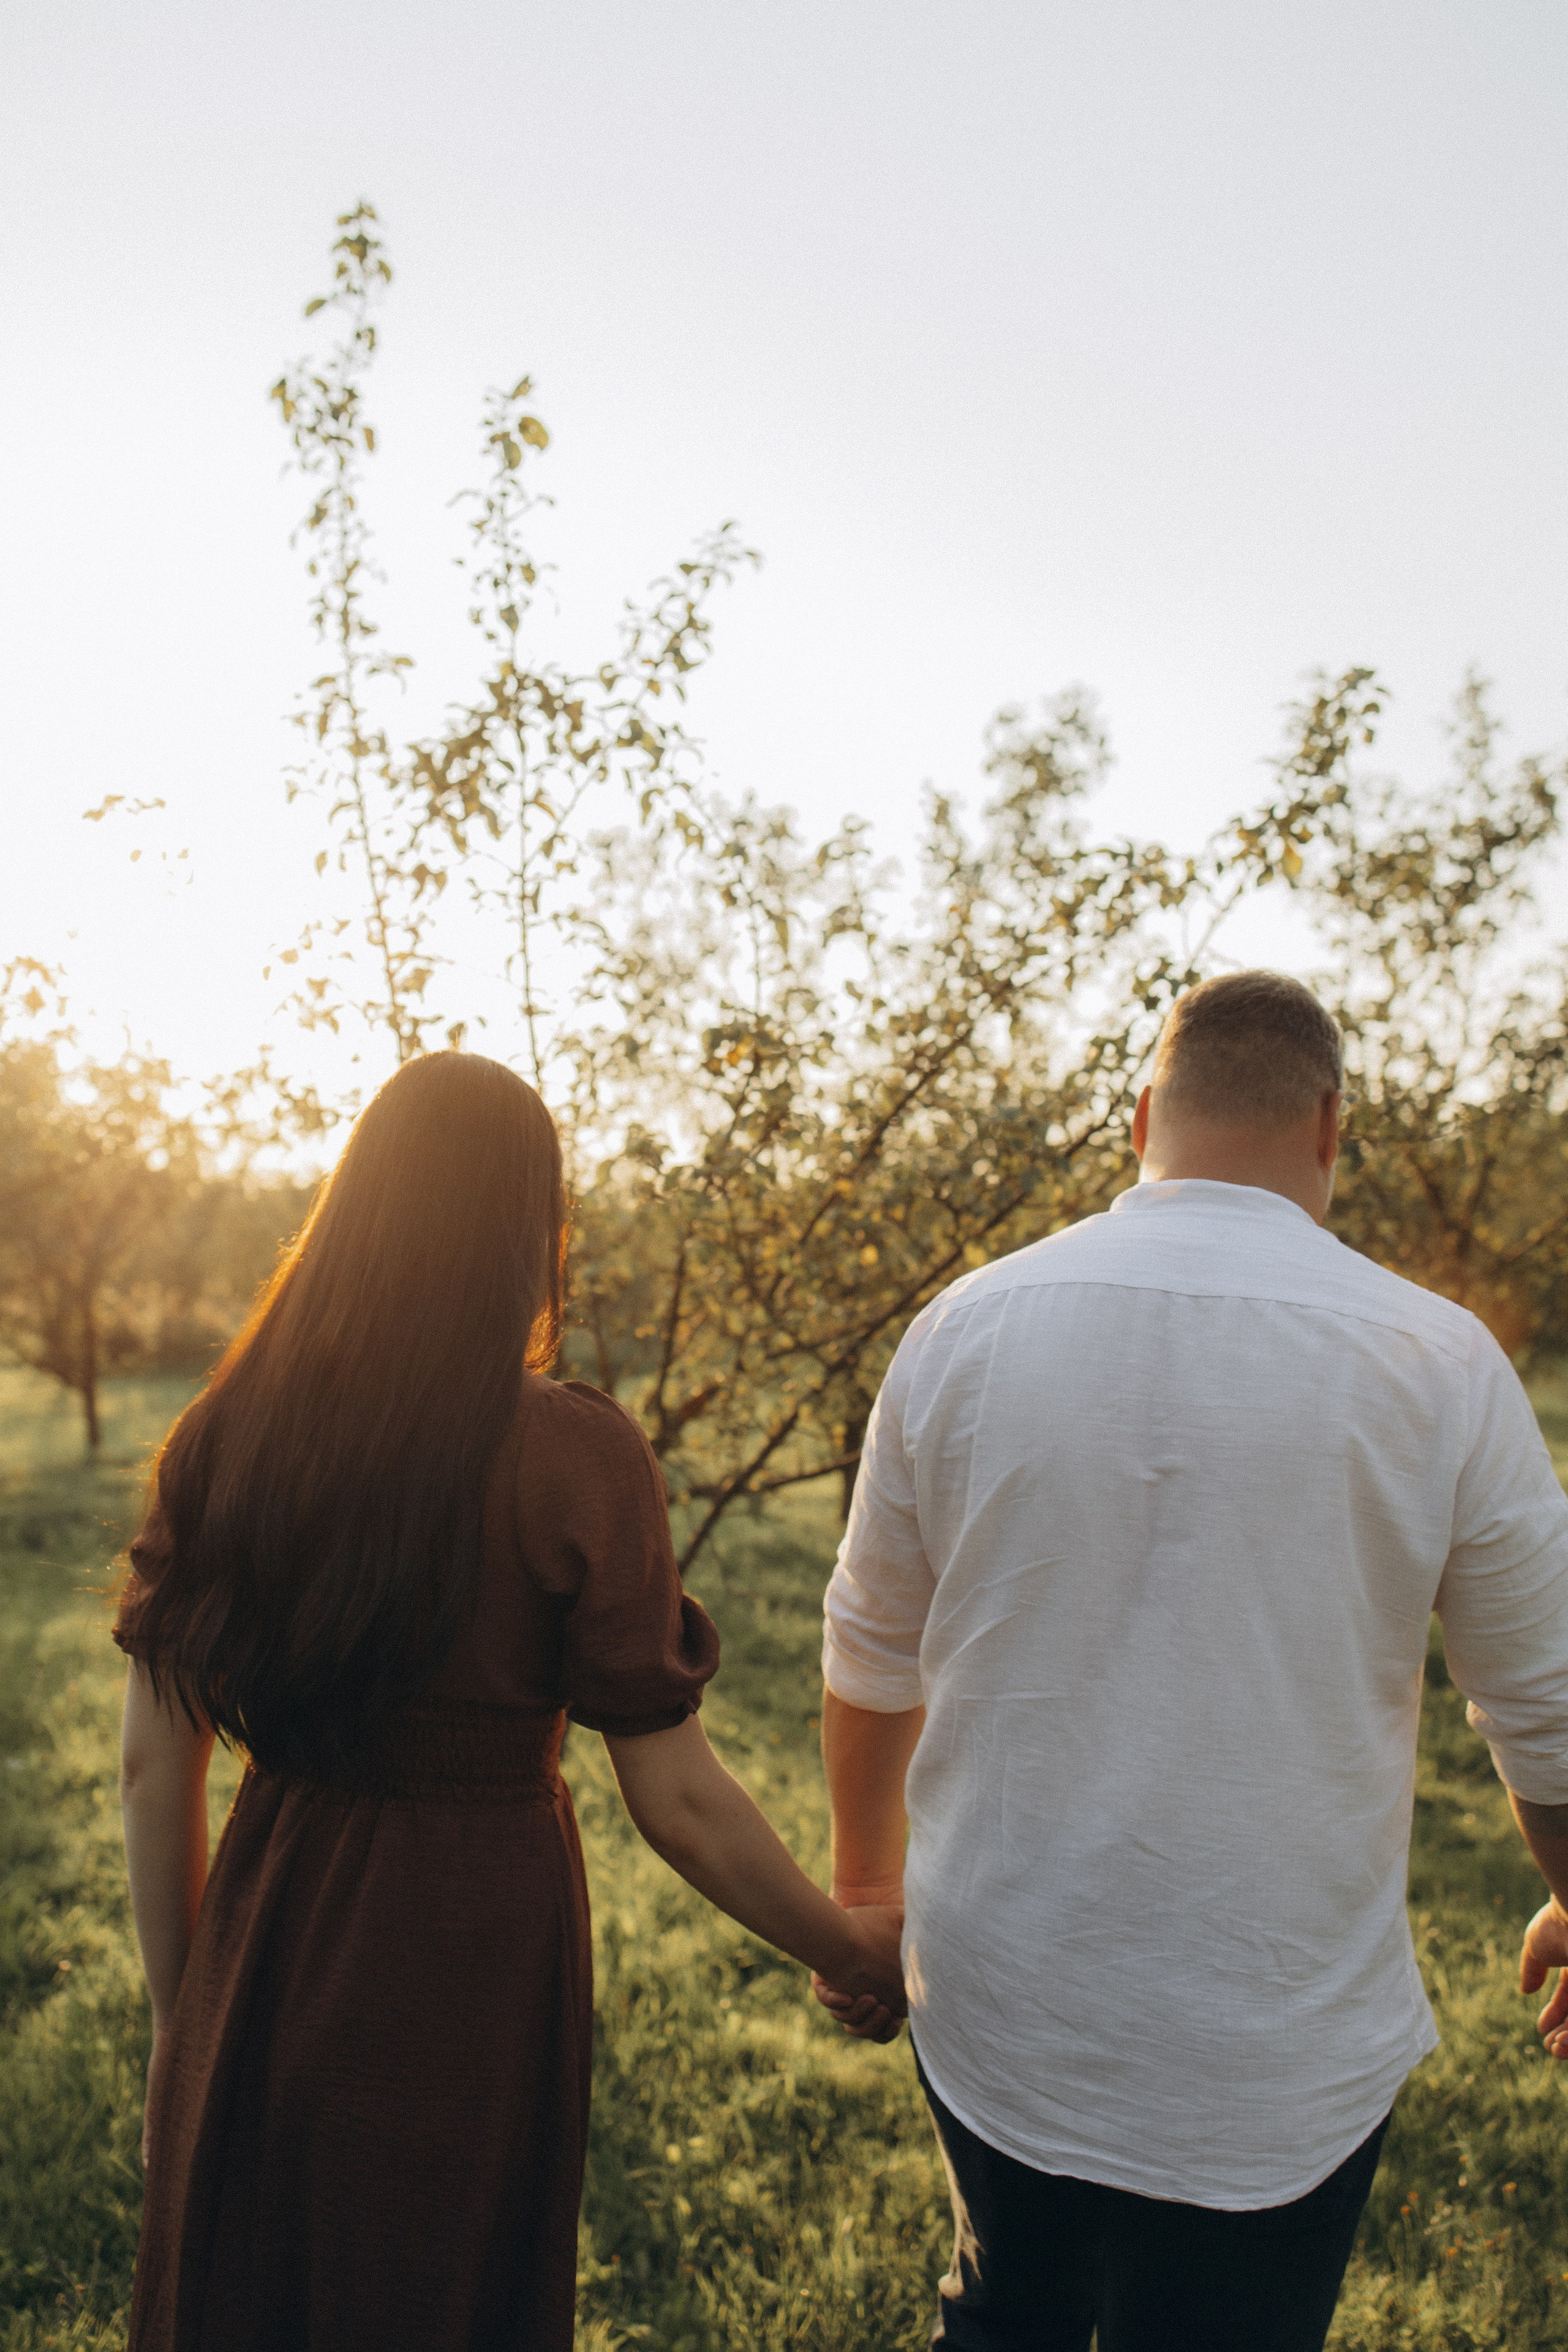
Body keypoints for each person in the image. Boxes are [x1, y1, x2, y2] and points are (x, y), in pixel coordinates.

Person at [812, 970, 1568, 2352]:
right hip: (1271, 2036)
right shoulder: (1442, 1363)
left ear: (1141, 1113)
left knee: (1006, 2312)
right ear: (1330, 1128)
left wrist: (864, 1894)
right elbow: (1547, 1714)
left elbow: (869, 1650)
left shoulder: (962, 1328)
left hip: (999, 1993)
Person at [115, 1051, 903, 2352]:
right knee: (439, 2284)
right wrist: (844, 1946)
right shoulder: (571, 1456)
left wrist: (182, 2016)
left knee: (256, 2281)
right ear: (527, 1235)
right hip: (471, 1942)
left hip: (272, 1918)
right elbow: (682, 1803)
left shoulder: (228, 1434)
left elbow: (157, 1765)